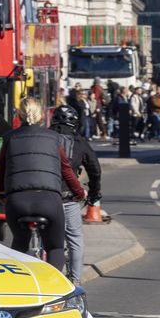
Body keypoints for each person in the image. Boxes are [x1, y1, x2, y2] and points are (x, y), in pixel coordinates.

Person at [0, 97, 86, 271]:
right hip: (49, 201)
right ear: (43, 115)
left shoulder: (9, 138)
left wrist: (0, 192)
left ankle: (20, 281)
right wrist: (79, 192)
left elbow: (1, 169)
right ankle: (54, 284)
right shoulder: (54, 138)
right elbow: (66, 170)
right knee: (55, 247)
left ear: (19, 115)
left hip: (17, 201)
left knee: (20, 242)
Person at [50, 105, 101, 285]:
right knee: (75, 238)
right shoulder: (79, 142)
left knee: (45, 236)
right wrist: (94, 193)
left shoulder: (45, 137)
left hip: (43, 195)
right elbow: (95, 169)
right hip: (67, 196)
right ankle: (75, 281)